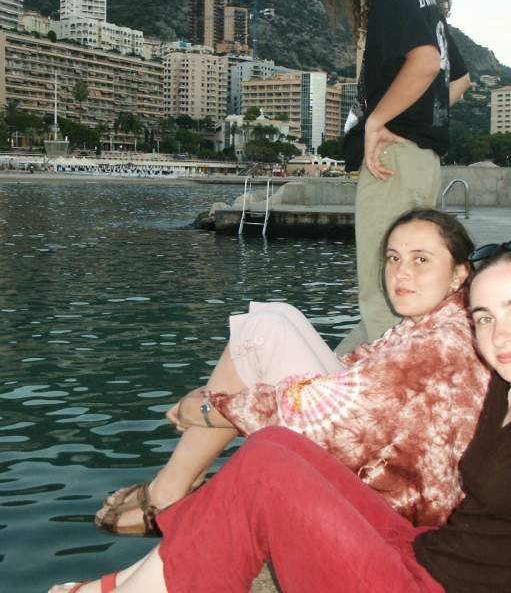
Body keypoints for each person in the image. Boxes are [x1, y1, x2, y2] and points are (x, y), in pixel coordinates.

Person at [50, 236, 511, 593]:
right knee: (274, 447)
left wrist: (212, 408)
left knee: (266, 471)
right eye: (484, 317)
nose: (500, 334)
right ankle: (133, 581)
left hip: (427, 585)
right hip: (423, 554)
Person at [94, 209, 489, 535]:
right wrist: (217, 401)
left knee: (263, 336)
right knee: (276, 318)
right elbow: (365, 368)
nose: (401, 273)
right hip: (392, 464)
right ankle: (173, 485)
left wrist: (208, 408)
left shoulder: (441, 343)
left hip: (396, 503)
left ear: (459, 273)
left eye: (421, 260)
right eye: (393, 258)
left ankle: (169, 491)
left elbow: (334, 416)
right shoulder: (443, 320)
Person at [324, 0, 471, 344]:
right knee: (414, 293)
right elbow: (458, 80)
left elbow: (425, 64)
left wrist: (379, 122)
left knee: (383, 291)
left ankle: (389, 382)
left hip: (393, 161)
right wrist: (415, 116)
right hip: (422, 162)